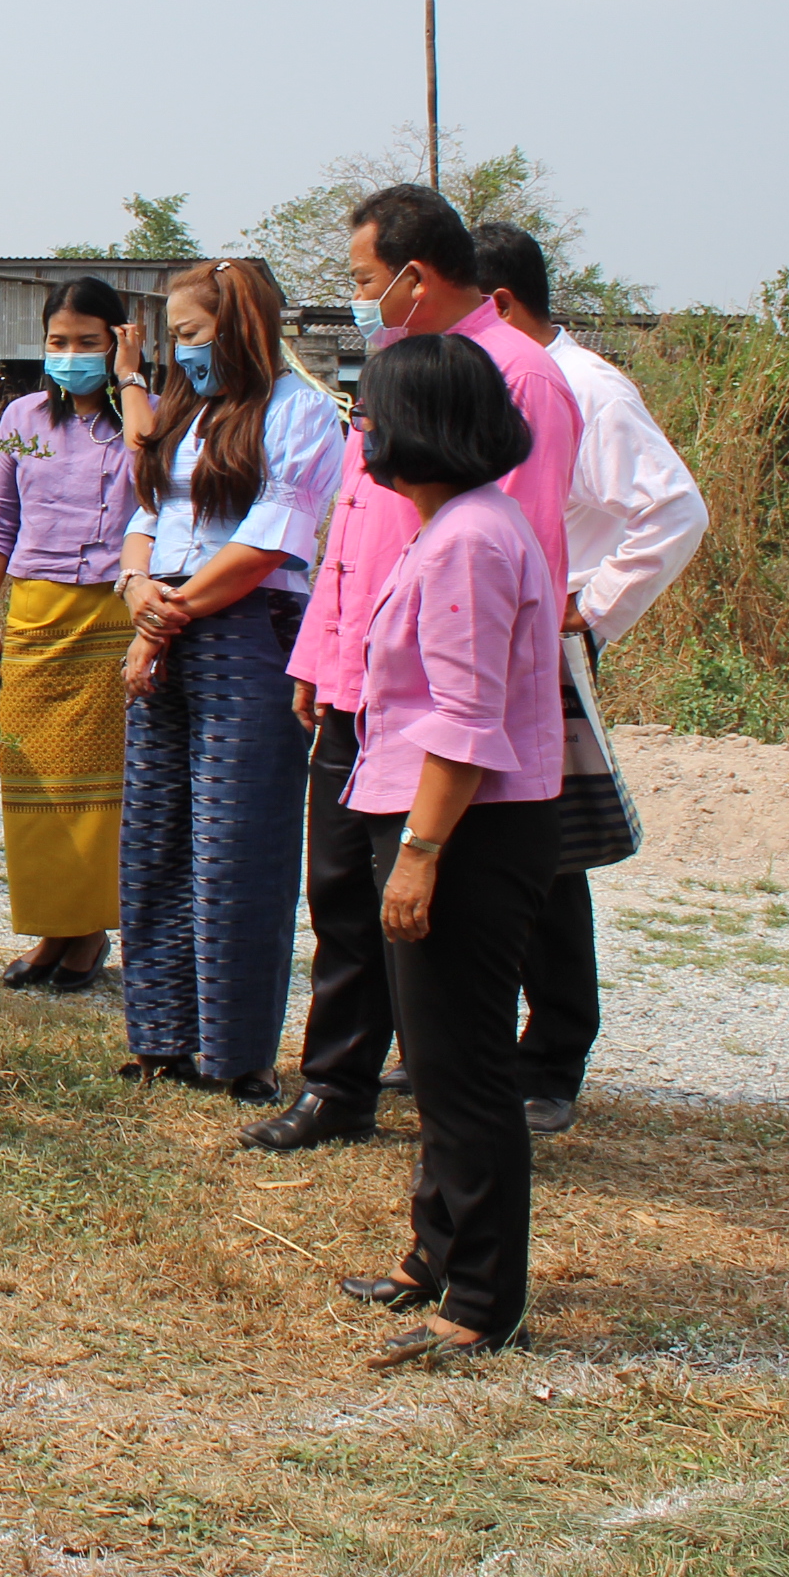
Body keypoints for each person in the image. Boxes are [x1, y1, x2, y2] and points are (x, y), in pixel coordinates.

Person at [249, 187, 581, 1152]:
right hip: (357, 678)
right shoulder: (396, 367)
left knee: (430, 906)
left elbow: (521, 551)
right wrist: (318, 656)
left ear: (415, 277)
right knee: (342, 891)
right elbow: (349, 525)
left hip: (440, 708)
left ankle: (463, 1090)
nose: (359, 298)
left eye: (362, 281)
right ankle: (337, 1083)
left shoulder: (520, 377)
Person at [329, 334, 562, 1368]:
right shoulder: (453, 527)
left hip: (462, 828)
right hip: (430, 816)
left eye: (373, 416)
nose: (361, 433)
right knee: (431, 1059)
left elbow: (466, 718)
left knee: (464, 1068)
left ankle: (482, 1301)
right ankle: (435, 1253)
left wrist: (421, 854)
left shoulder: (471, 538)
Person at [474, 221, 709, 1136]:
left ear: (495, 303)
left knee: (549, 849)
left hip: (550, 635)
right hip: (489, 631)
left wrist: (593, 606)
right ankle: (479, 1044)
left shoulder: (586, 387)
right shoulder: (495, 378)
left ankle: (555, 1056)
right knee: (483, 836)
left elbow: (673, 509)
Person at [113, 258, 344, 1097]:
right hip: (162, 626)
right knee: (155, 838)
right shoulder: (185, 412)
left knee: (236, 847)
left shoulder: (303, 415)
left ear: (240, 325)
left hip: (247, 635)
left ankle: (236, 1055)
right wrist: (142, 593)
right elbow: (146, 518)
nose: (180, 353)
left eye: (190, 334)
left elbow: (269, 543)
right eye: (175, 337)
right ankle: (162, 1037)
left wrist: (166, 617)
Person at [0, 278, 149, 992]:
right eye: (58, 343)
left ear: (119, 342)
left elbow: (155, 474)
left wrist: (131, 379)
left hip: (113, 615)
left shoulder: (149, 415)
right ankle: (53, 930)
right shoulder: (21, 415)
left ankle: (89, 934)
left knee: (103, 790)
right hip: (36, 616)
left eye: (88, 343)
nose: (71, 356)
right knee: (35, 786)